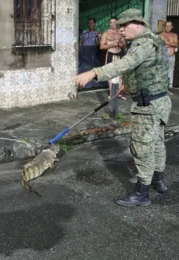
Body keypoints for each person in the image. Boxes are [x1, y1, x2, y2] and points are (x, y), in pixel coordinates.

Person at [74, 9, 171, 207]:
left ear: (138, 24)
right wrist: (131, 84)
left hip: (148, 106)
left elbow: (127, 63)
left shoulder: (142, 43)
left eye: (125, 25)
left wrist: (93, 73)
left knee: (142, 147)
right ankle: (158, 180)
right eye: (120, 26)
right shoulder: (156, 40)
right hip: (160, 101)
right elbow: (150, 69)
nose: (121, 30)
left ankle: (142, 193)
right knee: (157, 143)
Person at [100, 17, 126, 100]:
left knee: (120, 75)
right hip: (111, 54)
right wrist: (112, 45)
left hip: (119, 54)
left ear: (117, 23)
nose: (112, 24)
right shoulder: (106, 33)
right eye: (111, 22)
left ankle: (118, 93)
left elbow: (124, 44)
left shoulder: (120, 33)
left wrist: (121, 44)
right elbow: (101, 46)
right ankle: (112, 93)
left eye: (114, 22)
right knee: (111, 74)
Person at [160, 21, 178, 89]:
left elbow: (176, 44)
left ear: (172, 27)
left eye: (169, 26)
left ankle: (169, 86)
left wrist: (167, 42)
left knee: (171, 70)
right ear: (164, 27)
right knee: (162, 70)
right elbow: (161, 45)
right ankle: (162, 86)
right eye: (166, 26)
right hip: (164, 55)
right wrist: (171, 43)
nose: (168, 28)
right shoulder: (161, 35)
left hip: (172, 56)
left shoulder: (174, 35)